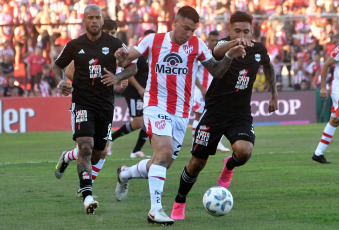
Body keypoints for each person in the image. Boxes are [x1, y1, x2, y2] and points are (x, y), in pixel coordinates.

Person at [113, 6, 246, 225]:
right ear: (175, 22)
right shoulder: (153, 40)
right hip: (156, 106)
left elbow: (216, 71)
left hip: (181, 114)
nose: (189, 34)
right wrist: (121, 56)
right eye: (186, 28)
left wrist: (229, 56)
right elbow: (128, 57)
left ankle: (125, 174)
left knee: (161, 163)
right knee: (163, 153)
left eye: (193, 30)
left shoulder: (196, 44)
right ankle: (155, 210)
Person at [170, 11, 278, 220]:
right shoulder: (223, 45)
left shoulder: (258, 49)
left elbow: (268, 66)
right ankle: (179, 201)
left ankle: (229, 165)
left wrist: (274, 94)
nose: (242, 35)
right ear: (229, 30)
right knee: (196, 164)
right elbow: (217, 52)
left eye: (246, 31)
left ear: (251, 31)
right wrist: (234, 44)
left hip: (240, 114)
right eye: (237, 31)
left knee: (244, 151)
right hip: (214, 113)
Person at [52, 5, 137, 214]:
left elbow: (133, 66)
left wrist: (117, 77)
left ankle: (67, 157)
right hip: (82, 103)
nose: (95, 21)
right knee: (86, 147)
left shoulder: (116, 44)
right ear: (84, 20)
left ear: (101, 19)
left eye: (97, 17)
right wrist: (61, 81)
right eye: (90, 18)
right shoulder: (74, 45)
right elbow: (57, 66)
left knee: (99, 153)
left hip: (105, 106)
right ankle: (87, 196)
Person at [108, 29, 156, 158]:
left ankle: (136, 151)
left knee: (150, 121)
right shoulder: (137, 53)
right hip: (135, 92)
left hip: (147, 92)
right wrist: (140, 88)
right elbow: (129, 72)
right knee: (138, 123)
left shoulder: (155, 54)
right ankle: (111, 138)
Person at [193, 30, 230, 152]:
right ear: (208, 40)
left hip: (214, 91)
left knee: (216, 116)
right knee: (199, 116)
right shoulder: (203, 52)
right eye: (212, 40)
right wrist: (202, 89)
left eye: (217, 40)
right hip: (201, 90)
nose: (214, 42)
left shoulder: (221, 54)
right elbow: (194, 73)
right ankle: (197, 142)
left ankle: (215, 142)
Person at [312, 45, 339, 164]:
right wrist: (323, 87)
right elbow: (326, 65)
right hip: (338, 89)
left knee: (334, 121)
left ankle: (318, 153)